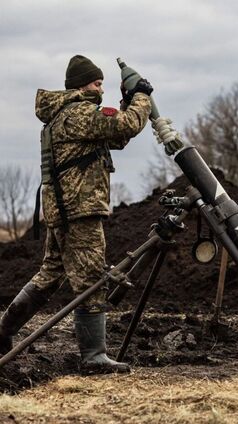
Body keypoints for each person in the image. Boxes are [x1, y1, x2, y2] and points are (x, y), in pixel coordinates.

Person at [0, 55, 153, 373]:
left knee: (50, 275)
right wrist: (141, 97)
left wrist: (126, 102)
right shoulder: (78, 112)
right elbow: (128, 125)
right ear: (82, 83)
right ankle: (93, 356)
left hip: (64, 212)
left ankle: (2, 332)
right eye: (97, 83)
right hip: (78, 212)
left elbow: (117, 136)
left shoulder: (64, 115)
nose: (101, 88)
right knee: (90, 281)